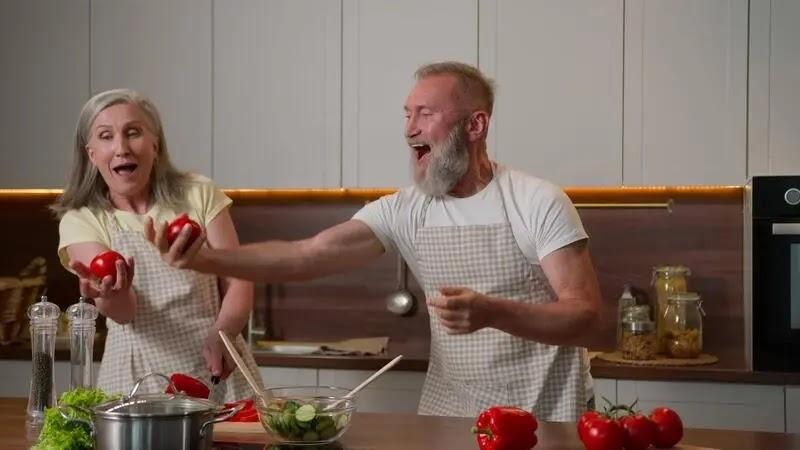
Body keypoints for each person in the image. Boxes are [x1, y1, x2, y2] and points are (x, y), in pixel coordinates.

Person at [152, 62, 602, 421]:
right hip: (449, 413)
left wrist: (491, 311)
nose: (409, 129)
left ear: (475, 125)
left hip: (542, 414)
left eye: (426, 114)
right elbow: (304, 256)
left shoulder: (535, 200)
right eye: (407, 114)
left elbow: (584, 316)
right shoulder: (404, 209)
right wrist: (208, 259)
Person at [51, 88, 263, 401]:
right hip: (137, 378)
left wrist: (225, 331)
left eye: (133, 132)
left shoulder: (197, 192)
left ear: (155, 142)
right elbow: (123, 313)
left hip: (217, 364)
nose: (122, 148)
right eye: (106, 136)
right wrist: (113, 294)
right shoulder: (81, 220)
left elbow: (239, 277)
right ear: (91, 154)